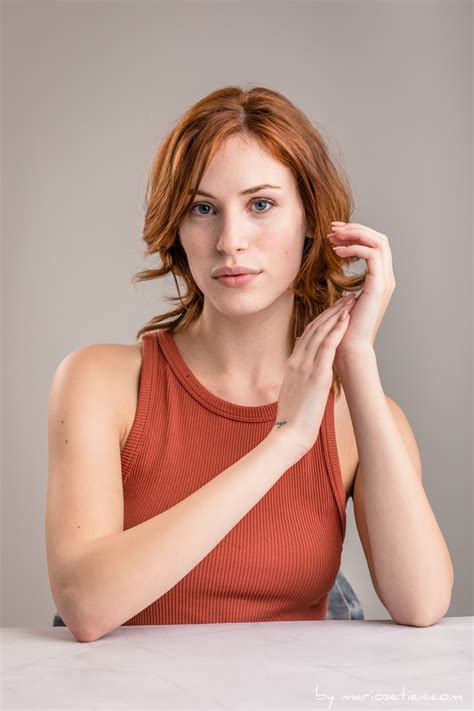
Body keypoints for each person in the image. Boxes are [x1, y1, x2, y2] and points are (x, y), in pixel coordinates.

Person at [46, 85, 453, 643]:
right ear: (177, 228)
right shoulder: (101, 382)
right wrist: (284, 441)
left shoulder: (360, 415)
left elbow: (422, 602)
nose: (230, 241)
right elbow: (85, 607)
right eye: (203, 209)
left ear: (312, 219)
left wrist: (356, 357)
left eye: (261, 204)